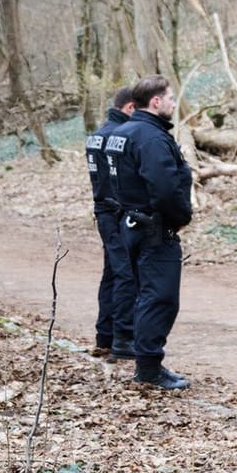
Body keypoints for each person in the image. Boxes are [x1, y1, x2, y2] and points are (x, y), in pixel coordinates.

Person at [109, 75, 194, 391]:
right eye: (170, 98)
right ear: (155, 102)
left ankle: (148, 364)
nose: (174, 103)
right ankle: (148, 369)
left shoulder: (124, 133)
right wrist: (181, 217)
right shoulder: (150, 138)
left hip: (131, 223)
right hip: (153, 229)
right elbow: (165, 188)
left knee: (148, 294)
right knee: (160, 298)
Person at [86, 86, 136, 358]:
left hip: (102, 212)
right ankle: (121, 339)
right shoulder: (118, 137)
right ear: (129, 108)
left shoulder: (96, 135)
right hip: (116, 213)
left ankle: (104, 336)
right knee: (125, 274)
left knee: (111, 273)